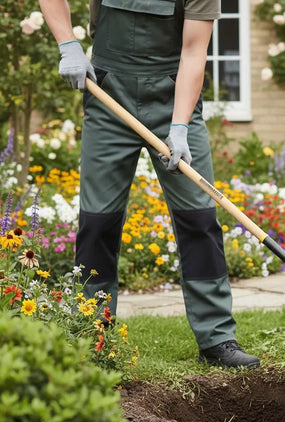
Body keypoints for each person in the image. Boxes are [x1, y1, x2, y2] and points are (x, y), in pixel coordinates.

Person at [38, 0, 260, 369]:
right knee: (98, 222)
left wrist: (179, 127)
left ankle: (217, 338)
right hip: (108, 93)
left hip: (174, 97)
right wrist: (68, 45)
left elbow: (193, 50)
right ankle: (90, 335)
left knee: (199, 219)